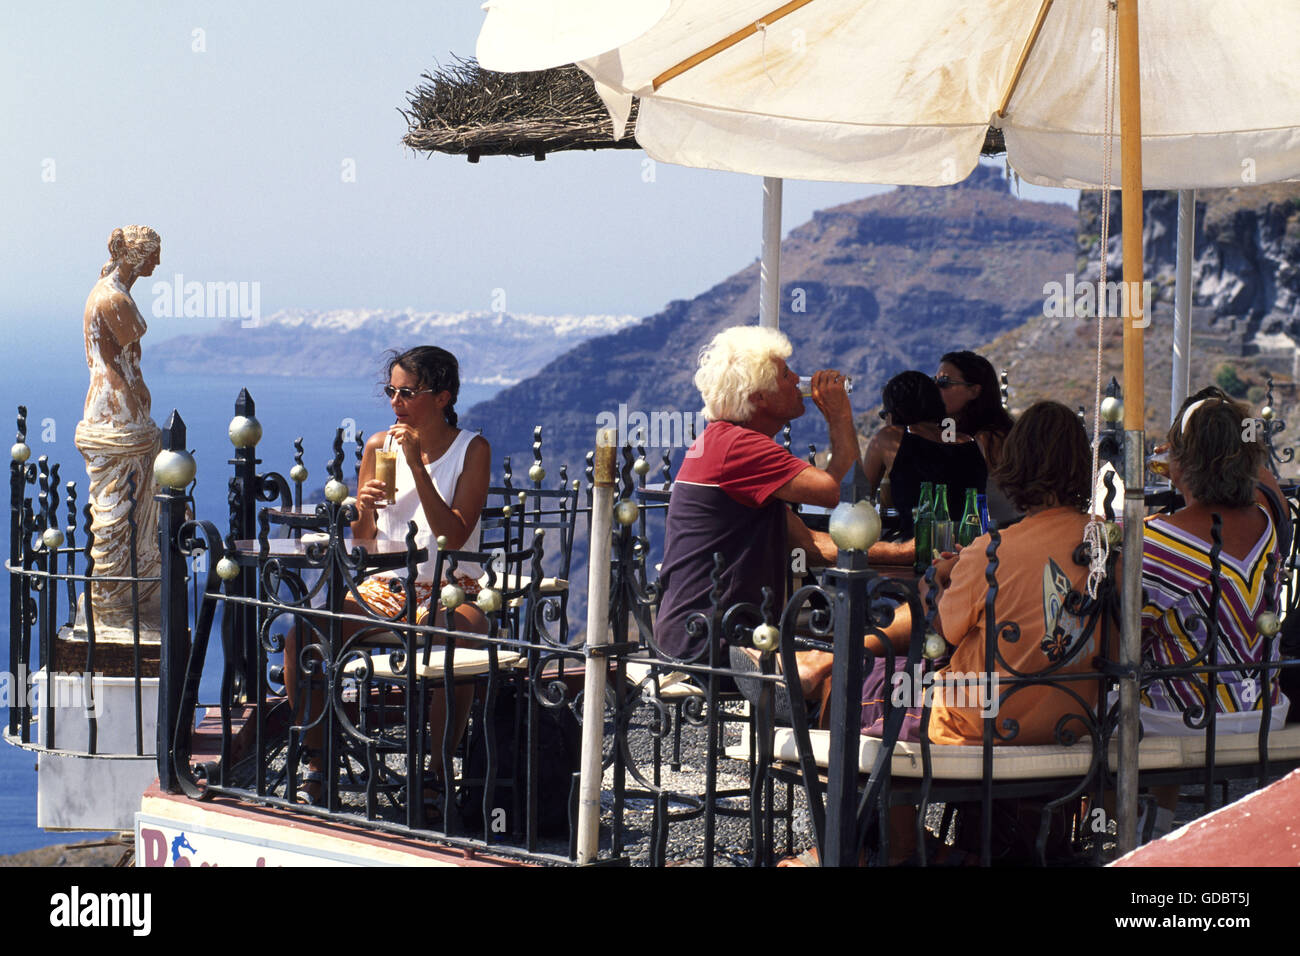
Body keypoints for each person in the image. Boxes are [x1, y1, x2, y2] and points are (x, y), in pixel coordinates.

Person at [285, 346, 491, 806]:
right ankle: (316, 767)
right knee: (306, 635)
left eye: (408, 393)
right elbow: (363, 539)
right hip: (384, 586)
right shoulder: (379, 445)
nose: (396, 402)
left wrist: (418, 467)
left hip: (448, 586)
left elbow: (454, 536)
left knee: (466, 635)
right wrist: (364, 509)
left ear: (442, 396)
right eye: (391, 391)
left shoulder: (471, 450)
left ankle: (438, 772)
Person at [653, 325, 856, 702]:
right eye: (785, 375)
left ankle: (795, 699)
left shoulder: (723, 443)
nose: (797, 380)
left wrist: (905, 554)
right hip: (716, 644)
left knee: (844, 662)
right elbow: (835, 491)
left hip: (692, 633)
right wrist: (840, 416)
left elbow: (808, 543)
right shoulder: (741, 448)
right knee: (860, 663)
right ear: (758, 397)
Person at [74, 226, 164, 629]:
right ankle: (110, 605)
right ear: (136, 255)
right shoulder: (112, 297)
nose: (157, 263)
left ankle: (136, 590)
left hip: (123, 408)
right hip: (113, 410)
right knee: (114, 508)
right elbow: (123, 357)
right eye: (154, 254)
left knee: (136, 498)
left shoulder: (112, 291)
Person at [861, 370, 986, 563]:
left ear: (894, 411)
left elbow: (858, 496)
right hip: (969, 554)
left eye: (884, 413)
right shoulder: (969, 442)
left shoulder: (890, 436)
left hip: (918, 553)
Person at [935, 350, 1019, 526]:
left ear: (974, 391)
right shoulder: (951, 431)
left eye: (943, 382)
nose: (935, 389)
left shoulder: (991, 438)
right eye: (934, 381)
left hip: (998, 537)